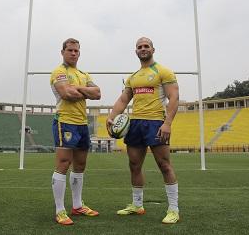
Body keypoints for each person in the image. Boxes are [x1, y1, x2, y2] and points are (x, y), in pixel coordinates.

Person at [107, 37, 180, 224]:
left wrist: (168, 123)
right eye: (139, 47)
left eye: (146, 46)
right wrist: (111, 116)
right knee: (134, 165)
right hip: (136, 124)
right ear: (136, 51)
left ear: (153, 49)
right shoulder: (133, 77)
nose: (143, 49)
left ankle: (173, 209)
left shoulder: (163, 71)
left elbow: (173, 98)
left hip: (156, 122)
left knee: (164, 165)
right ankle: (137, 205)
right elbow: (123, 100)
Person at [50, 38, 101, 225]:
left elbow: (97, 93)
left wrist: (78, 87)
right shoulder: (59, 71)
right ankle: (60, 210)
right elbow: (66, 94)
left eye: (76, 51)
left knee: (80, 165)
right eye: (70, 50)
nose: (73, 53)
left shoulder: (83, 74)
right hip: (65, 122)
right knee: (63, 164)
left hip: (81, 123)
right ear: (62, 52)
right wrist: (84, 91)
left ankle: (77, 205)